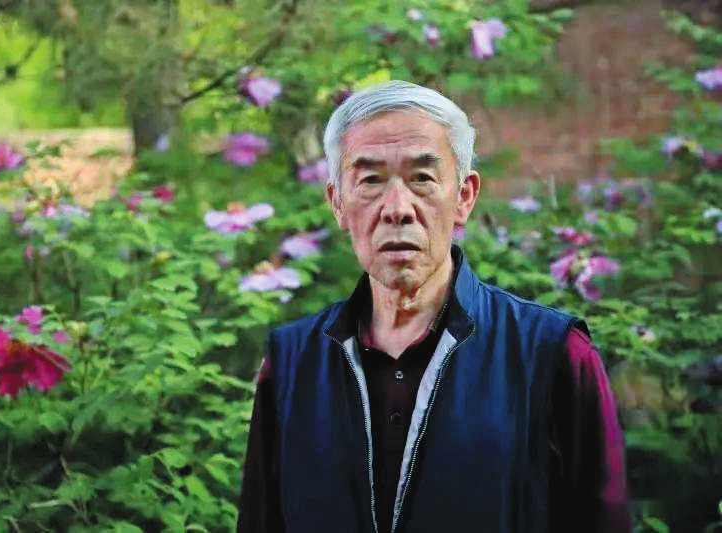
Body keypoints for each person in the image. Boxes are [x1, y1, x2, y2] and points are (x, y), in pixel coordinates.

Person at [237, 80, 631, 533]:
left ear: (464, 197)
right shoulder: (291, 364)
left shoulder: (552, 353)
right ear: (338, 203)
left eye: (422, 178)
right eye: (370, 180)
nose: (397, 209)